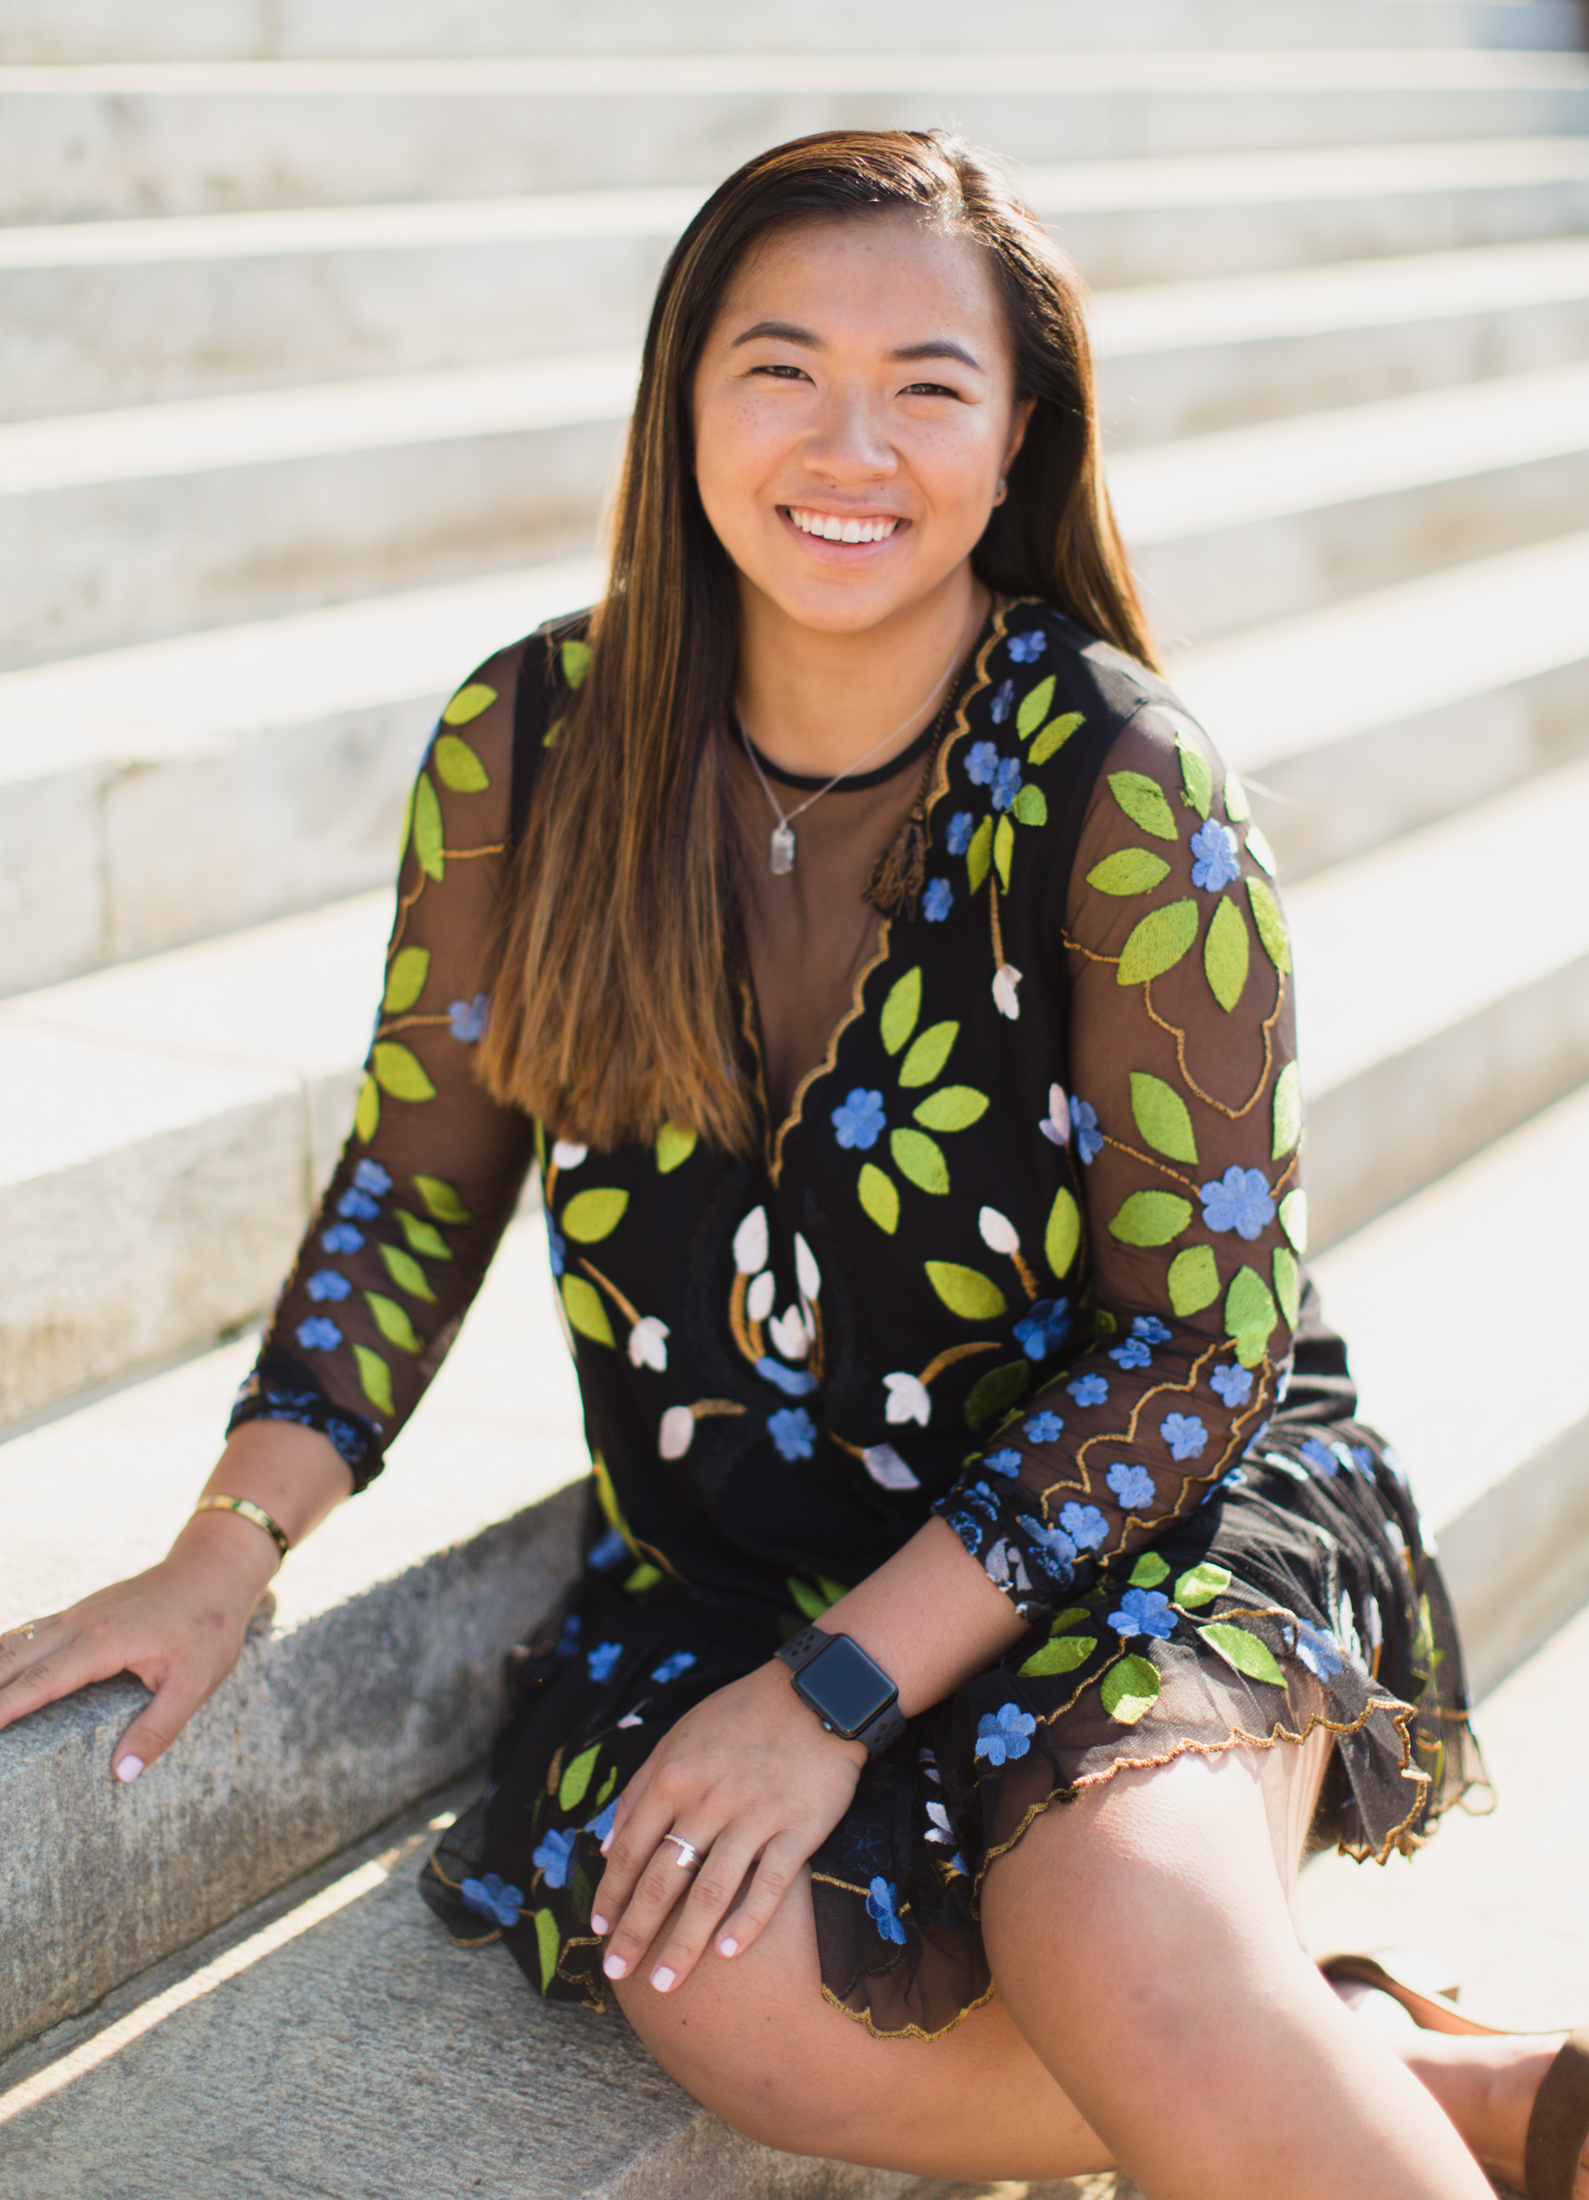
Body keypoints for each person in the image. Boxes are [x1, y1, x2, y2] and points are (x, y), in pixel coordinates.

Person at [3, 129, 1585, 2199]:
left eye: (930, 382)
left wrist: (838, 1691)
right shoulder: (534, 744)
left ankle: (1261, 2041)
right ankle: (1390, 2079)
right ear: (682, 402)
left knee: (1133, 1921)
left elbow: (1198, 1346)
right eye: (781, 367)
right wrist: (231, 1540)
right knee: (715, 1956)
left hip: (1132, 1504)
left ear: (1021, 439)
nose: (853, 441)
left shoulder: (1123, 781)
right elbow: (419, 1176)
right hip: (751, 1542)